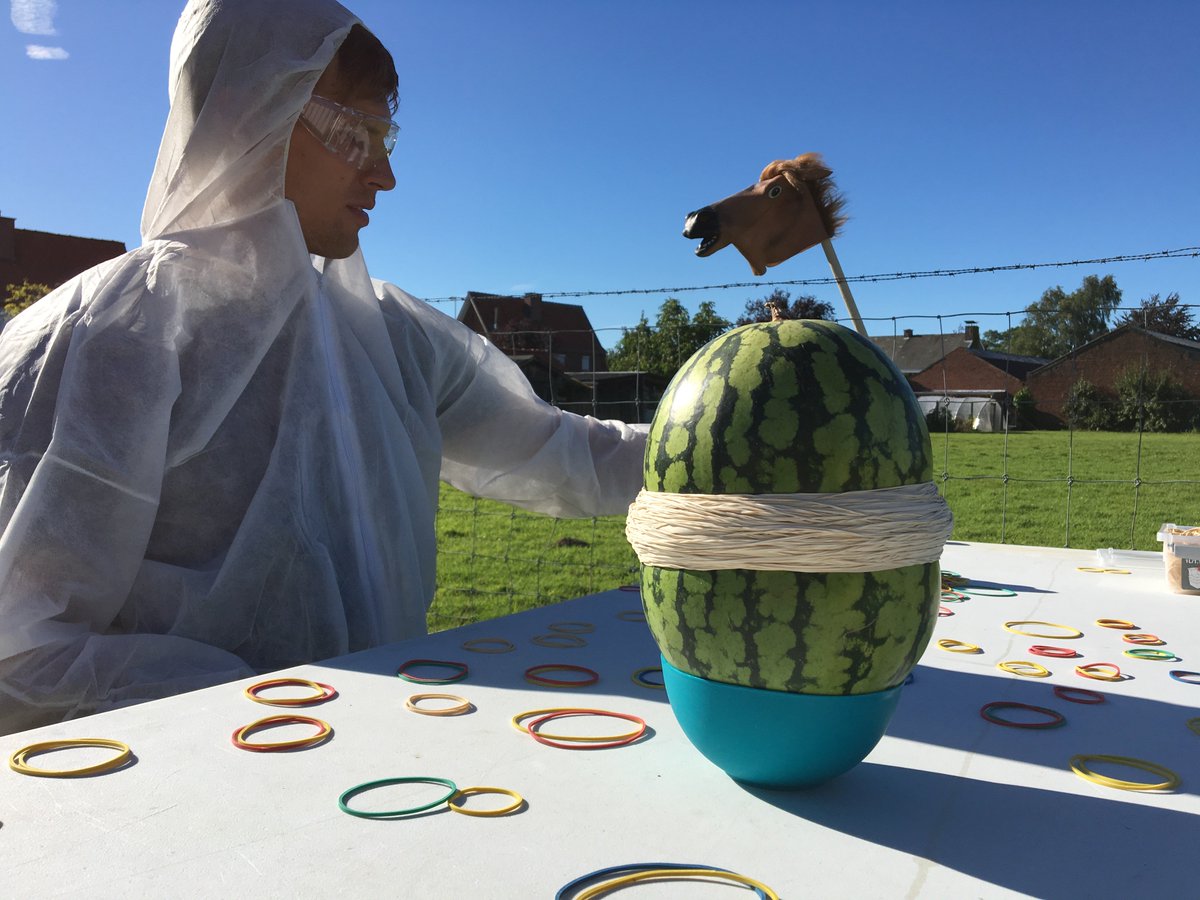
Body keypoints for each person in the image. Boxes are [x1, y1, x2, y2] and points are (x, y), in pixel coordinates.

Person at [0, 0, 645, 734]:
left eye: (385, 134)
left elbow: (560, 454)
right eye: (355, 132)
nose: (386, 175)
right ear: (250, 116)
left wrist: (716, 447)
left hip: (383, 772)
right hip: (170, 806)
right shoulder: (107, 340)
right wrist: (274, 707)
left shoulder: (392, 336)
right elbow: (20, 656)